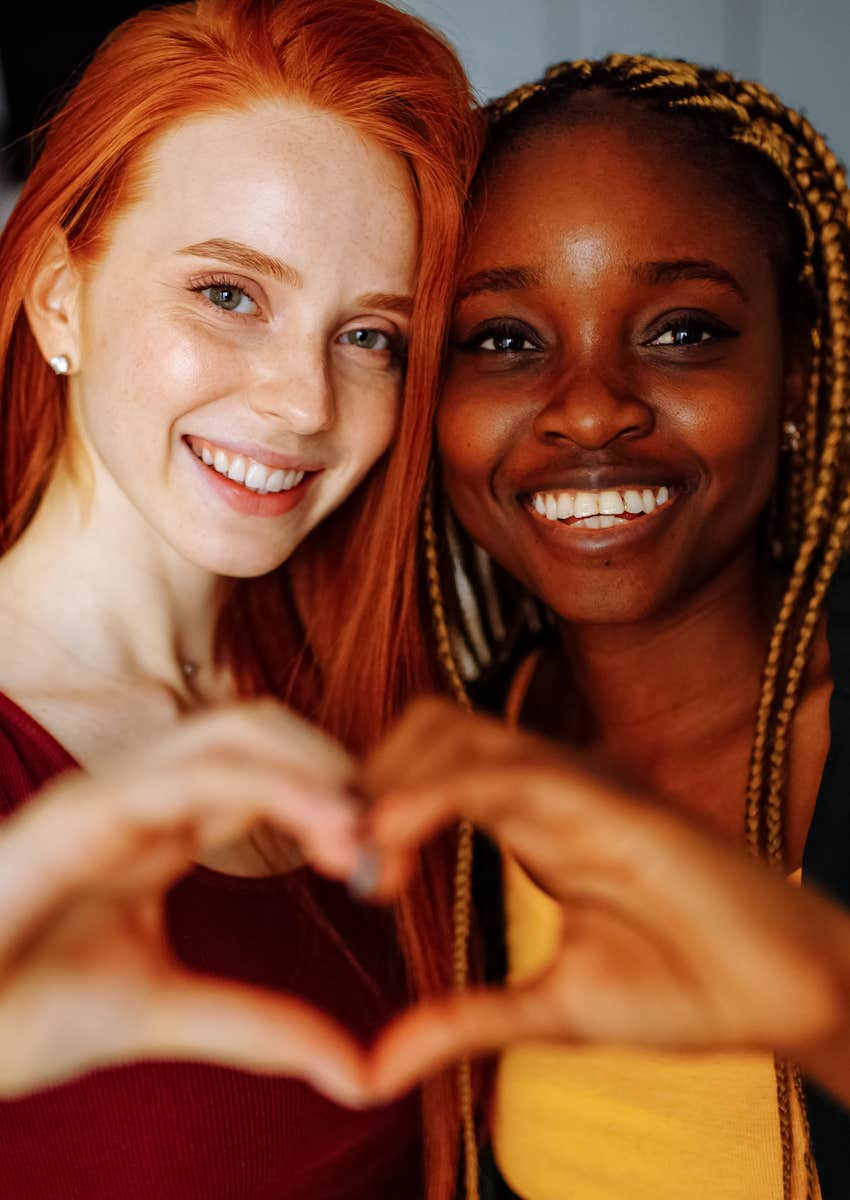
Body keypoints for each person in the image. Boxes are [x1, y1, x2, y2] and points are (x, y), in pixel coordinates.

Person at [0, 1, 479, 1196]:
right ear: (62, 296)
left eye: (369, 335)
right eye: (228, 295)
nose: (304, 403)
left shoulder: (371, 697)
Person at [356, 55, 850, 1200]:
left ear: (796, 370)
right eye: (505, 341)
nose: (587, 407)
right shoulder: (446, 788)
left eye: (681, 330)